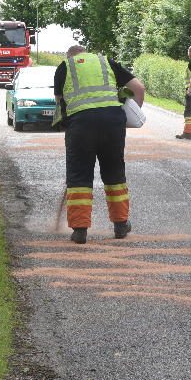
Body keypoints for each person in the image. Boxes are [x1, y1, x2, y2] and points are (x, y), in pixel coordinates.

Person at [53, 45, 146, 244]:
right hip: (112, 123)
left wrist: (66, 128)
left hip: (80, 126)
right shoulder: (106, 63)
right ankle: (121, 225)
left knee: (79, 175)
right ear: (86, 53)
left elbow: (60, 105)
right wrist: (130, 117)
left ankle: (80, 230)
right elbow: (139, 88)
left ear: (70, 57)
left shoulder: (64, 67)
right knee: (114, 173)